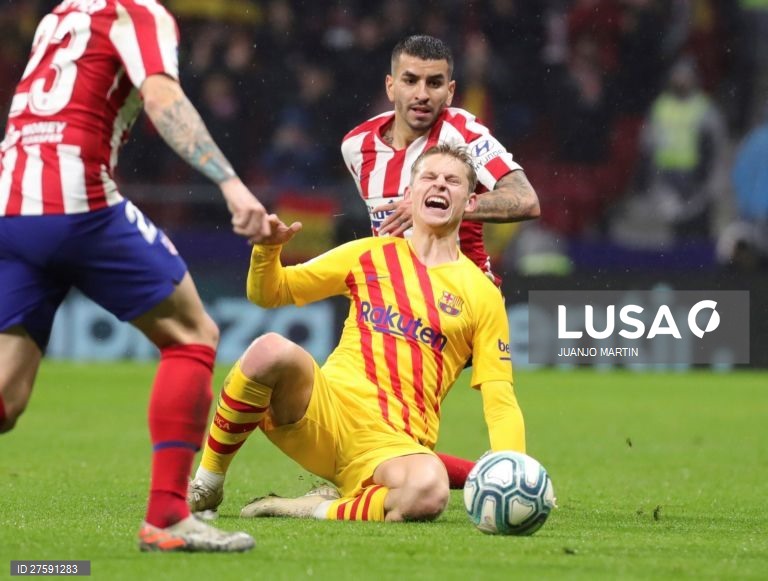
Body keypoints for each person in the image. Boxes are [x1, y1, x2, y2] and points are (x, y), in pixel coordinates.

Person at [0, 0, 270, 552]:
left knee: (7, 396)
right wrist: (230, 183)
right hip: (77, 202)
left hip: (11, 205)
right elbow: (162, 97)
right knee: (193, 335)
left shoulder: (62, 15)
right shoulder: (139, 11)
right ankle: (168, 518)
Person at [187, 144, 525, 522]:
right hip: (324, 411)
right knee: (269, 349)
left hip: (393, 446)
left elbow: (500, 398)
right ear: (410, 196)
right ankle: (207, 483)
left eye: (453, 181)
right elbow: (270, 293)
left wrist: (516, 471)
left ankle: (316, 508)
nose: (441, 186)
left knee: (429, 491)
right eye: (430, 177)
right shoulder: (368, 255)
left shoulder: (482, 293)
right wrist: (266, 253)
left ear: (471, 202)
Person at [339, 34, 539, 487]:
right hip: (393, 298)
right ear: (391, 86)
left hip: (459, 304)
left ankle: (505, 477)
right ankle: (505, 478)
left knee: (385, 432)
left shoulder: (463, 134)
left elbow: (525, 200)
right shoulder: (356, 148)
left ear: (451, 91)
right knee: (374, 426)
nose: (422, 94)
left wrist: (439, 204)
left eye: (435, 83)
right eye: (411, 80)